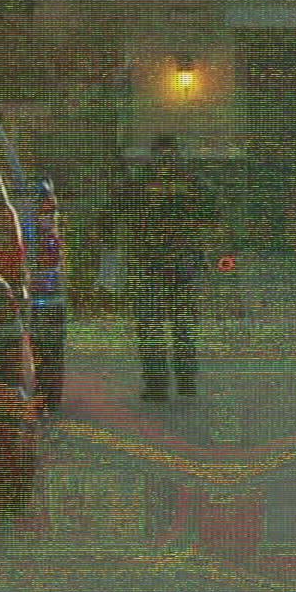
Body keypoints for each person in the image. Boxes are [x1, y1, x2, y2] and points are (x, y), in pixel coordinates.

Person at [103, 134, 219, 403]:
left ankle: (157, 384)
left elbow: (112, 214)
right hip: (182, 261)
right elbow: (214, 213)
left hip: (150, 262)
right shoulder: (193, 181)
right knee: (183, 326)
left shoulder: (139, 181)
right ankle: (185, 382)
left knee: (151, 325)